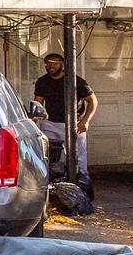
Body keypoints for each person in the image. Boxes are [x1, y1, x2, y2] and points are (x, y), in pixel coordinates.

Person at [32, 51, 96, 187]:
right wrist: (33, 123)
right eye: (48, 63)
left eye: (54, 63)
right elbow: (38, 103)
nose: (50, 66)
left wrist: (85, 121)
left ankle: (81, 187)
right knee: (54, 158)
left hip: (75, 124)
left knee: (79, 158)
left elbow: (93, 101)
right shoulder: (42, 82)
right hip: (50, 124)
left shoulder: (75, 81)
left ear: (63, 65)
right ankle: (58, 187)